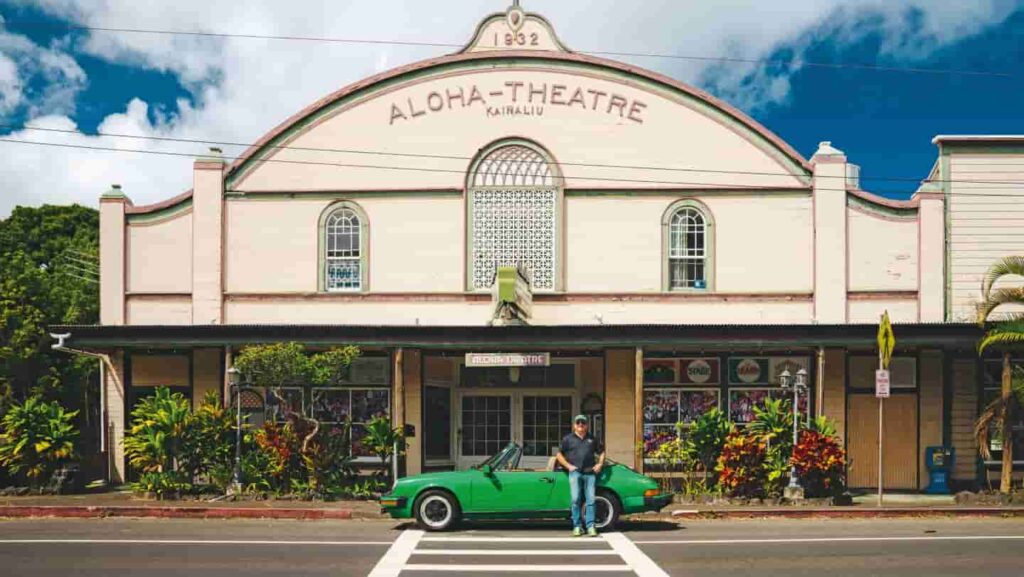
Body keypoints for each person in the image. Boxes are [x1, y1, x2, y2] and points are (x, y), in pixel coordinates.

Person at [556, 414, 605, 536]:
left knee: (590, 500)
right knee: (575, 499)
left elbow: (602, 452)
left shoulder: (592, 439)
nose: (580, 425)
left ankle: (590, 526)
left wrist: (600, 464)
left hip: (590, 473)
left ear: (587, 425)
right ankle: (577, 526)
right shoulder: (568, 439)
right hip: (575, 473)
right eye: (578, 423)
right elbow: (559, 455)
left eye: (583, 423)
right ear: (574, 425)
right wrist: (568, 466)